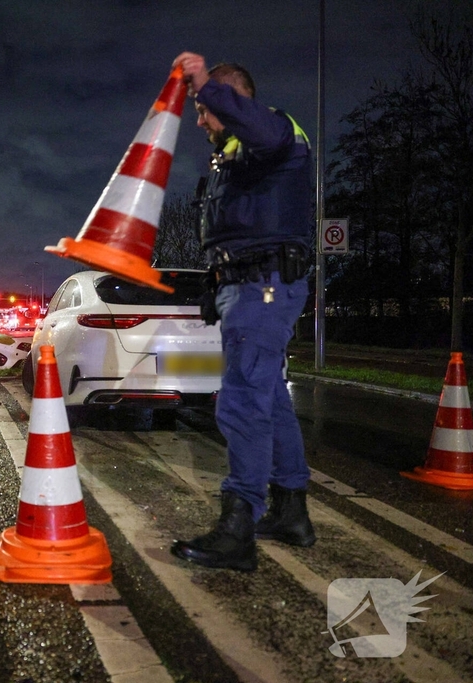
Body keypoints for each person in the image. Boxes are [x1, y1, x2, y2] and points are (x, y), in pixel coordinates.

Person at [169, 53, 316, 572]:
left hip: (264, 287)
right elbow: (241, 228)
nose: (200, 120)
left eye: (204, 110)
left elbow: (261, 132)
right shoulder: (233, 154)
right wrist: (216, 281)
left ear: (233, 99)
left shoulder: (272, 131)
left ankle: (239, 528)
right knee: (269, 400)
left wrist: (205, 86)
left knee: (241, 402)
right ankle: (291, 512)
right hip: (249, 285)